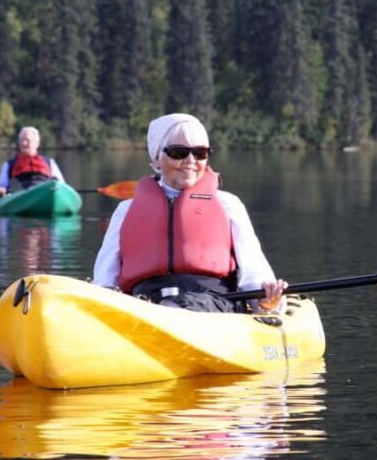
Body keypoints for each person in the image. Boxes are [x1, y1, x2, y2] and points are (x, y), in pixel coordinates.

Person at [93, 113, 288, 314]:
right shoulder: (126, 210)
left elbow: (254, 271)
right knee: (163, 307)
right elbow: (105, 281)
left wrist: (266, 301)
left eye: (200, 153)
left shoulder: (228, 205)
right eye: (178, 152)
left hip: (211, 302)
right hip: (143, 304)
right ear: (157, 159)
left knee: (174, 307)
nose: (191, 160)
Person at [0, 126, 66, 195]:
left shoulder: (49, 162)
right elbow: (1, 186)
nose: (23, 143)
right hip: (20, 193)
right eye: (21, 140)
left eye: (27, 140)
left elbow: (62, 185)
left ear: (36, 143)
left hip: (44, 190)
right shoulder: (9, 165)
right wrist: (1, 189)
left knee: (54, 182)